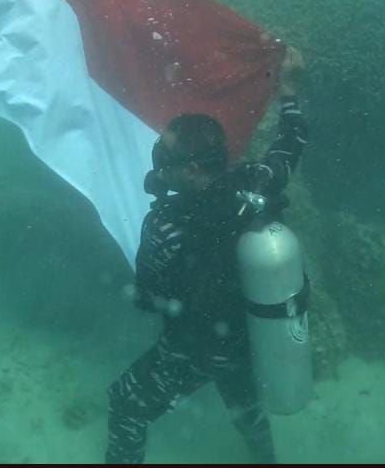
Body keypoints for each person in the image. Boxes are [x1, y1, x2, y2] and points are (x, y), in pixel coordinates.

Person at [105, 47, 308, 464]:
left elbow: (148, 295)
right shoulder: (254, 183)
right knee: (246, 411)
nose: (158, 165)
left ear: (194, 170)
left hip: (196, 346)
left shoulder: (166, 226)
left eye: (167, 159)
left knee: (126, 405)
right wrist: (288, 88)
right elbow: (290, 144)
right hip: (250, 336)